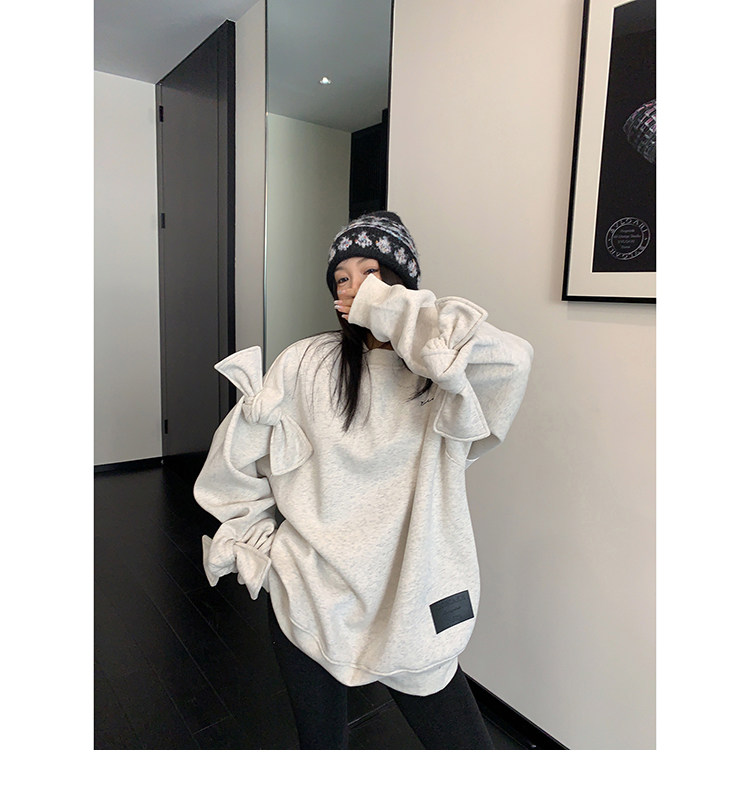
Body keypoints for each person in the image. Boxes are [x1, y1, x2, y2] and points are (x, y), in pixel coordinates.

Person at [194, 211, 533, 749]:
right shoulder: (305, 362)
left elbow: (513, 361)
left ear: (402, 287)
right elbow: (235, 461)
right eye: (342, 279)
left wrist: (391, 313)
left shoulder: (444, 374)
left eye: (371, 274)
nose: (352, 289)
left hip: (413, 592)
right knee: (322, 746)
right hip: (309, 590)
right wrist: (261, 538)